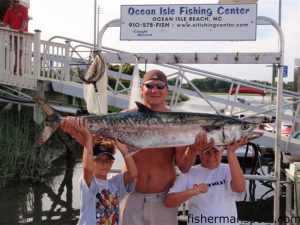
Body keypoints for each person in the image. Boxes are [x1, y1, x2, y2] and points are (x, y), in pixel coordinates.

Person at [121, 69, 210, 225]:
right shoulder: (124, 117)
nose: (155, 90)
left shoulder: (179, 123)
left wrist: (194, 148)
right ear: (142, 89)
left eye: (160, 86)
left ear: (167, 91)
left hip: (162, 199)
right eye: (149, 85)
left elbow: (183, 167)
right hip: (130, 197)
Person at [60, 117, 138, 225]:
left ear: (112, 163)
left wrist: (124, 150)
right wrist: (88, 139)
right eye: (99, 160)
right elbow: (87, 168)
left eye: (108, 160)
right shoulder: (89, 182)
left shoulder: (116, 183)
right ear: (92, 161)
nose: (104, 164)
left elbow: (133, 174)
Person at [164, 135, 248, 225]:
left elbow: (239, 188)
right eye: (207, 152)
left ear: (222, 151)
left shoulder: (228, 169)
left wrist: (231, 152)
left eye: (216, 151)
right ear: (199, 152)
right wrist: (194, 191)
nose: (212, 156)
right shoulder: (189, 173)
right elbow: (169, 201)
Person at [0, 0, 29, 75]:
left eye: (17, 1)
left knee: (20, 51)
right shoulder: (10, 10)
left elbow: (25, 20)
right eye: (14, 1)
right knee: (16, 51)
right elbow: (5, 22)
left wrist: (22, 28)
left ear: (19, 2)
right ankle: (17, 68)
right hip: (13, 35)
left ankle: (18, 68)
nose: (15, 3)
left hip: (21, 34)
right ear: (12, 2)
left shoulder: (23, 9)